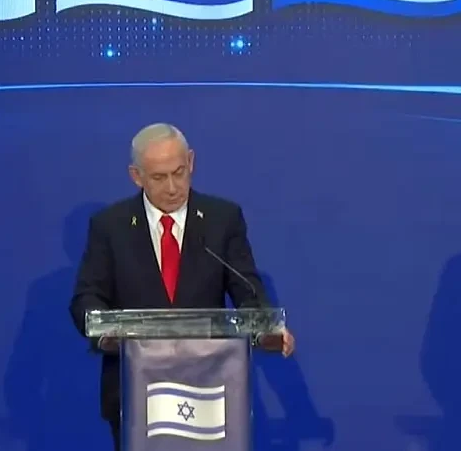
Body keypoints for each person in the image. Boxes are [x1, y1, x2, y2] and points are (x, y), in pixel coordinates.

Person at [69, 123, 295, 451]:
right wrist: (107, 333)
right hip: (137, 391)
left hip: (211, 390)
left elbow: (247, 288)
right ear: (136, 176)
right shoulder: (110, 226)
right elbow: (86, 297)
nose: (173, 187)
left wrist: (265, 329)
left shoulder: (222, 218)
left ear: (191, 161)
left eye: (179, 172)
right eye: (159, 177)